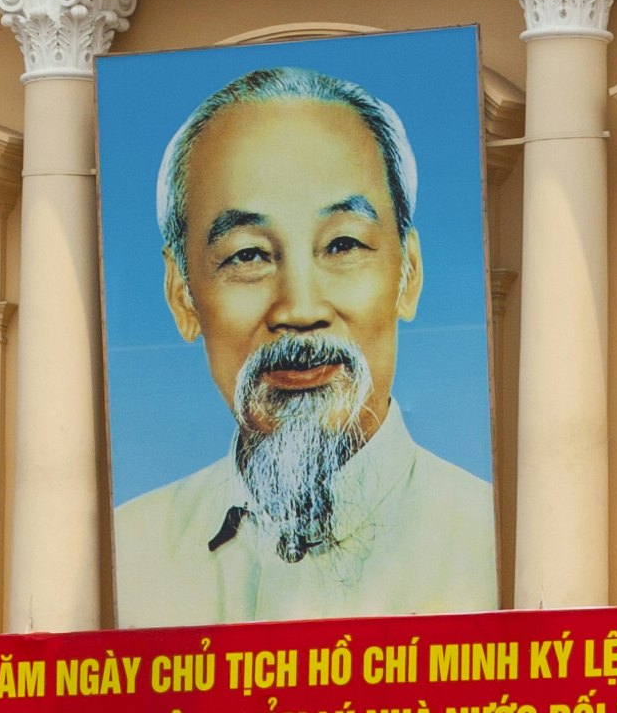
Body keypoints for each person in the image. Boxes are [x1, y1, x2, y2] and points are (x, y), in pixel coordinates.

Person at [111, 63, 500, 622]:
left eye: (342, 245)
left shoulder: (497, 541)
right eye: (247, 255)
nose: (299, 309)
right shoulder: (126, 555)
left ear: (408, 274)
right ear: (181, 295)